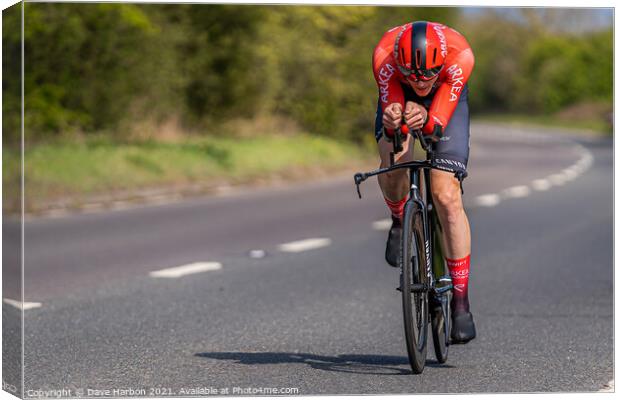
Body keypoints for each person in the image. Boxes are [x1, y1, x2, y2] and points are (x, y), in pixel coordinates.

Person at [372, 21, 476, 343]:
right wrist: (394, 119)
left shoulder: (461, 57)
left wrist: (427, 117)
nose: (419, 82)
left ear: (439, 64)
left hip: (447, 99)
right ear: (399, 64)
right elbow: (394, 119)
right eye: (411, 75)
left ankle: (460, 301)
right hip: (398, 99)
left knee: (445, 195)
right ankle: (399, 218)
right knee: (393, 163)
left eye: (426, 74)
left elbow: (435, 126)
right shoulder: (384, 56)